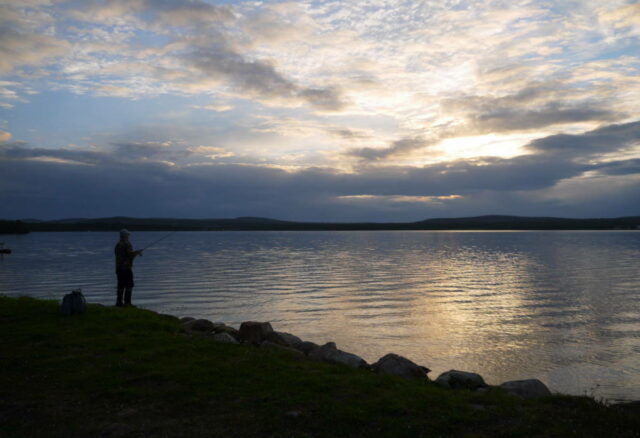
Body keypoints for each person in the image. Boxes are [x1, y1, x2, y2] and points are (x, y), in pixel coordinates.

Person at [114, 229, 143, 307]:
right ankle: (127, 303)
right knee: (129, 285)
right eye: (128, 235)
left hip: (119, 268)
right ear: (125, 236)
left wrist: (136, 252)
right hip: (126, 268)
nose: (128, 236)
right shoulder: (127, 244)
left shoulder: (118, 244)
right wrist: (138, 252)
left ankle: (119, 303)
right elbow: (130, 255)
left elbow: (125, 255)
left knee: (121, 285)